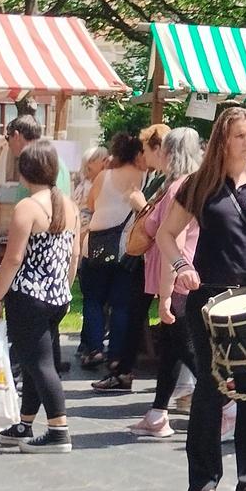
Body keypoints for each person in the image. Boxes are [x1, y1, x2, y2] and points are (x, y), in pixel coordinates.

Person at [153, 105, 246, 491]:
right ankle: (203, 480)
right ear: (223, 139)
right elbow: (166, 234)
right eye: (239, 135)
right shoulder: (200, 184)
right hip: (210, 300)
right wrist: (182, 266)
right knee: (211, 390)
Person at [0, 140, 80, 453]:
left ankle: (58, 429)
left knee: (40, 365)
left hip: (29, 295)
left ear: (23, 173)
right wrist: (63, 287)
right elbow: (74, 255)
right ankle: (25, 423)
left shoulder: (27, 207)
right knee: (34, 362)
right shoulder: (69, 205)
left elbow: (13, 258)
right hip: (57, 296)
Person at [134, 127, 203, 439]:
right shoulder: (195, 184)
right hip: (188, 273)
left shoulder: (177, 188)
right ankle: (158, 412)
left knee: (185, 346)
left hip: (176, 277)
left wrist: (164, 293)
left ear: (170, 153)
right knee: (173, 347)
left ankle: (227, 404)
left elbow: (168, 240)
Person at [79, 131, 147, 377]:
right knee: (121, 305)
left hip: (97, 245)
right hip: (126, 248)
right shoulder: (144, 177)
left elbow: (91, 204)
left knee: (93, 300)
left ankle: (94, 347)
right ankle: (116, 355)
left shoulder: (104, 177)